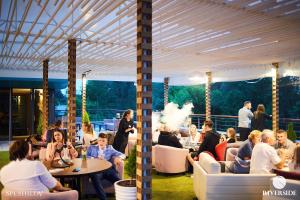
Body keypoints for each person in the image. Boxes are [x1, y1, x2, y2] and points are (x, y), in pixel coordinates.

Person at [0, 140, 70, 192]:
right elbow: (57, 187)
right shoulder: (36, 165)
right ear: (27, 151)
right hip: (41, 197)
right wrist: (70, 190)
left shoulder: (3, 171)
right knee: (74, 193)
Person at [87, 133, 125, 200]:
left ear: (107, 141)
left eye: (103, 141)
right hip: (97, 171)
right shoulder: (92, 148)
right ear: (98, 140)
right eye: (100, 140)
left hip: (108, 170)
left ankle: (125, 196)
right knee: (94, 176)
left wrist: (118, 158)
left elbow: (122, 155)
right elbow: (85, 157)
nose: (101, 142)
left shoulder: (110, 148)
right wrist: (94, 159)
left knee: (119, 181)